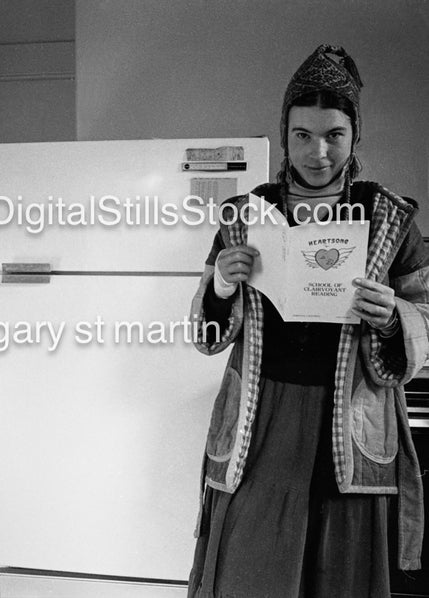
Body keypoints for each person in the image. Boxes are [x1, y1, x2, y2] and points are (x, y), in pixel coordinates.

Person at [187, 44, 428, 598]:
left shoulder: (388, 217)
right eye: (302, 135)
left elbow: (427, 312)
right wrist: (223, 284)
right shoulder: (247, 215)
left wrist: (396, 317)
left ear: (354, 135)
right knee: (248, 571)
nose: (317, 152)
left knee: (337, 575)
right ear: (285, 133)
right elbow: (204, 334)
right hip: (259, 419)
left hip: (349, 422)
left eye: (333, 135)